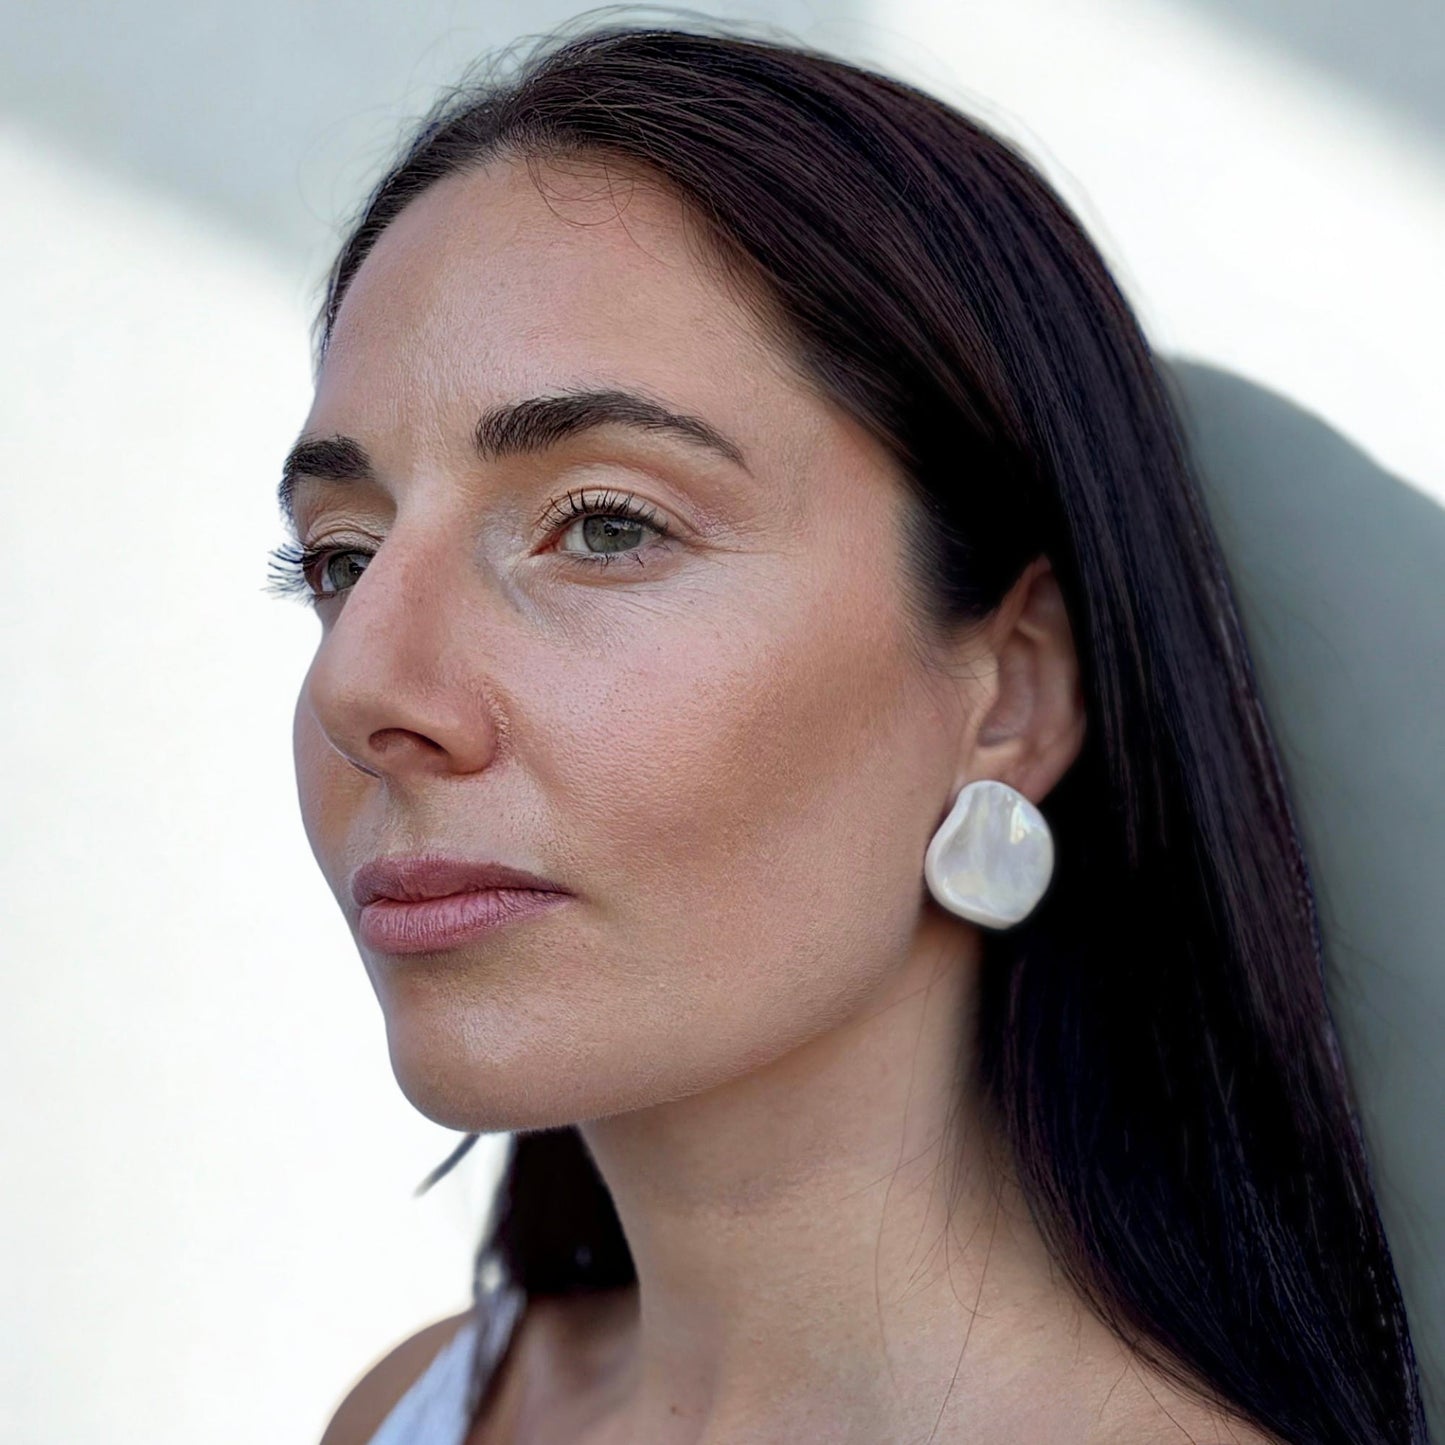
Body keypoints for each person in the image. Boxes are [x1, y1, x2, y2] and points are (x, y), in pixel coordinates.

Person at [269, 18, 1431, 1445]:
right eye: (339, 557)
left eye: (608, 524)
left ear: (1007, 692)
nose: (360, 685)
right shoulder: (421, 1407)